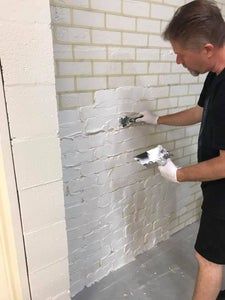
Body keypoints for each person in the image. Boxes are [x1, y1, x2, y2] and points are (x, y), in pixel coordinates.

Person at [136, 1, 225, 299]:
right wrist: (157, 120)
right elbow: (200, 111)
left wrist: (178, 174)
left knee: (208, 259)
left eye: (180, 55)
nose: (178, 62)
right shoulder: (216, 74)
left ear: (207, 49)